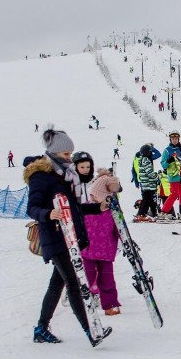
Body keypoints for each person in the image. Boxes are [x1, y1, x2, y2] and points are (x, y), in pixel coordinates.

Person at [24, 127, 112, 346]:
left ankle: (41, 328)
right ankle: (91, 329)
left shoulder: (63, 176)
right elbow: (32, 208)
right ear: (54, 153)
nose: (69, 158)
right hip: (54, 235)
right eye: (65, 154)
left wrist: (97, 208)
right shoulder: (41, 176)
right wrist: (48, 213)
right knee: (73, 282)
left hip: (68, 236)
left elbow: (75, 208)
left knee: (57, 284)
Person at [76, 157, 123, 316]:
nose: (93, 198)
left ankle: (110, 304)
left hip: (106, 252)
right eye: (92, 196)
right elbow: (78, 225)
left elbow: (120, 230)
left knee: (108, 280)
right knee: (87, 277)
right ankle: (85, 299)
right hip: (88, 251)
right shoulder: (87, 208)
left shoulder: (112, 213)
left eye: (96, 196)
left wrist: (125, 241)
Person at [160, 130, 181, 220]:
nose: (175, 140)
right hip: (173, 176)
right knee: (174, 194)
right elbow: (163, 164)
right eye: (173, 138)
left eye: (176, 138)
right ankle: (164, 212)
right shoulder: (167, 150)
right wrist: (168, 161)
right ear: (170, 139)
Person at [134, 144, 160, 222]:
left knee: (150, 199)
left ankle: (154, 213)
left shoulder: (142, 160)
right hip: (149, 184)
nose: (151, 154)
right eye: (150, 152)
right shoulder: (146, 161)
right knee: (147, 200)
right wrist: (157, 177)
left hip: (146, 184)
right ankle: (142, 214)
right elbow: (150, 173)